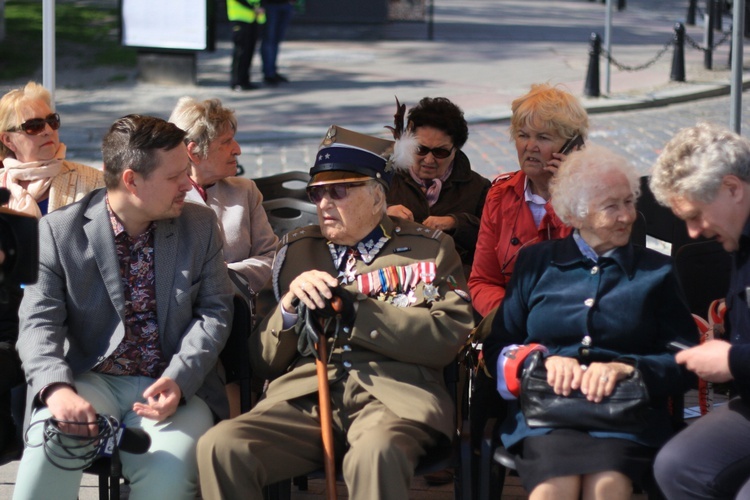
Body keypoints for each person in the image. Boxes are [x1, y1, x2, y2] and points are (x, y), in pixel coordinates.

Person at [197, 125, 475, 499]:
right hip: (305, 400)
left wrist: (356, 310)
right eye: (317, 192)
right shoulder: (297, 250)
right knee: (222, 447)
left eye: (339, 191)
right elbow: (260, 361)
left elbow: (448, 338)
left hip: (395, 399)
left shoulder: (430, 249)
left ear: (378, 196)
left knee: (375, 454)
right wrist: (290, 308)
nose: (323, 203)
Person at [12, 115, 234, 500]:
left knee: (169, 473)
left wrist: (180, 380)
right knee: (52, 443)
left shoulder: (199, 225)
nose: (188, 184)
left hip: (173, 384)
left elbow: (215, 312)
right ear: (131, 180)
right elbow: (37, 323)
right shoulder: (58, 232)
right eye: (175, 176)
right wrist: (55, 389)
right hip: (89, 378)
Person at [483, 144, 695, 499]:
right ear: (576, 214)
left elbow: (684, 360)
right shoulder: (536, 263)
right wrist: (540, 362)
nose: (627, 216)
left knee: (606, 487)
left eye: (629, 202)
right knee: (553, 489)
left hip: (625, 415)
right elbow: (498, 346)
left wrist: (627, 368)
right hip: (549, 415)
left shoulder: (656, 271)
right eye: (612, 206)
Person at [650, 122, 750, 499]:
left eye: (695, 215)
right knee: (676, 465)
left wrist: (733, 360)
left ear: (732, 188)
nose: (692, 232)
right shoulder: (738, 240)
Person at [469, 83, 588, 318]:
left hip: (569, 323)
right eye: (523, 135)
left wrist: (564, 192)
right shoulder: (500, 195)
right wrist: (510, 317)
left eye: (543, 137)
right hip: (510, 322)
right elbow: (482, 280)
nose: (529, 147)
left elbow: (584, 278)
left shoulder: (590, 198)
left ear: (572, 146)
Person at [168, 96, 277, 294]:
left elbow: (272, 257)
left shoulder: (245, 191)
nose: (238, 150)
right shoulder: (166, 200)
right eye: (226, 142)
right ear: (194, 153)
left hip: (241, 309)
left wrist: (226, 274)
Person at [386, 97, 491, 278]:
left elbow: (492, 241)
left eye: (440, 152)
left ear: (456, 149)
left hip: (454, 279)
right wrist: (384, 214)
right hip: (395, 275)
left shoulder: (479, 188)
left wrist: (455, 223)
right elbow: (355, 222)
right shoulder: (385, 179)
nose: (429, 160)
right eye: (420, 149)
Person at [0, 81, 104, 218]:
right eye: (35, 125)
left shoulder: (94, 182)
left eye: (51, 121)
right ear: (8, 140)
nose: (48, 130)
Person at [227, 0, 266, 91]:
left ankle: (245, 80)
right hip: (240, 18)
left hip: (253, 18)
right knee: (240, 52)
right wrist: (254, 8)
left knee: (249, 51)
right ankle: (237, 82)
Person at [260, 0, 295, 85]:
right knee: (269, 41)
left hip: (285, 5)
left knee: (276, 41)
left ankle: (273, 71)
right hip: (270, 5)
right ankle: (268, 74)